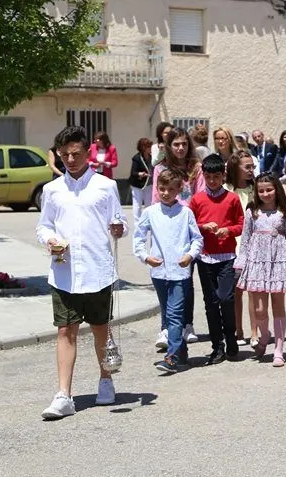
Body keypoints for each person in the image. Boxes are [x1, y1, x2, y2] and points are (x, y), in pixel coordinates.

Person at [36, 126, 127, 419]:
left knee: (101, 328)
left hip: (98, 269)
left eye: (75, 154)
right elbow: (44, 225)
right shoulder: (52, 190)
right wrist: (49, 240)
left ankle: (106, 379)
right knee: (66, 330)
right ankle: (64, 395)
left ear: (87, 152)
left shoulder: (105, 185)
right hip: (64, 271)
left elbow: (119, 222)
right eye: (64, 155)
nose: (70, 160)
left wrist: (118, 228)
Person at [132, 169, 203, 373]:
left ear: (179, 190)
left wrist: (190, 255)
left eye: (170, 189)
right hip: (159, 272)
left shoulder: (186, 212)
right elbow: (138, 237)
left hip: (180, 272)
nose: (165, 193)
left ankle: (171, 357)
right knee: (167, 314)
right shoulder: (150, 212)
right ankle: (181, 352)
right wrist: (146, 257)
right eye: (162, 189)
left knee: (174, 314)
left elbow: (197, 239)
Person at [235, 173, 286, 366]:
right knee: (259, 309)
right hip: (257, 263)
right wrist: (241, 263)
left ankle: (278, 349)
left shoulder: (285, 211)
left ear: (276, 189)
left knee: (278, 306)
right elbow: (245, 240)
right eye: (261, 190)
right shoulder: (252, 211)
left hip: (278, 262)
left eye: (269, 189)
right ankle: (264, 337)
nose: (265, 194)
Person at [151, 126, 205, 346]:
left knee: (185, 279)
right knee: (164, 278)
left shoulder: (196, 167)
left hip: (187, 225)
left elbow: (200, 197)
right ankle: (165, 327)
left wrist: (187, 215)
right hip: (166, 226)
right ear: (169, 147)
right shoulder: (161, 168)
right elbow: (156, 198)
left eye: (184, 144)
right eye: (176, 144)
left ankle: (186, 324)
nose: (181, 148)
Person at [190, 154, 246, 365]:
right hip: (205, 258)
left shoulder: (232, 198)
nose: (212, 181)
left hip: (227, 257)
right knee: (211, 303)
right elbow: (189, 225)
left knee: (226, 298)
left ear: (223, 176)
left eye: (216, 176)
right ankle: (217, 346)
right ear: (203, 176)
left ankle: (231, 336)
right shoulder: (197, 200)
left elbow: (241, 225)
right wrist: (203, 227)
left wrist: (228, 231)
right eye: (208, 177)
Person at [226, 149, 256, 346]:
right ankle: (238, 330)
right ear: (236, 168)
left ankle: (255, 333)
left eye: (253, 166)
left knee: (254, 290)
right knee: (236, 291)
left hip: (255, 245)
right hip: (234, 246)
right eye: (248, 167)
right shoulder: (227, 189)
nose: (252, 170)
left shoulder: (257, 188)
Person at [128, 138, 154, 220]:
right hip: (137, 185)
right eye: (148, 146)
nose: (150, 148)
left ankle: (147, 220)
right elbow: (133, 172)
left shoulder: (152, 157)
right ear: (143, 147)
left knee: (148, 204)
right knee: (137, 205)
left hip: (148, 184)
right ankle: (137, 223)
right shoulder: (137, 158)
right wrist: (141, 174)